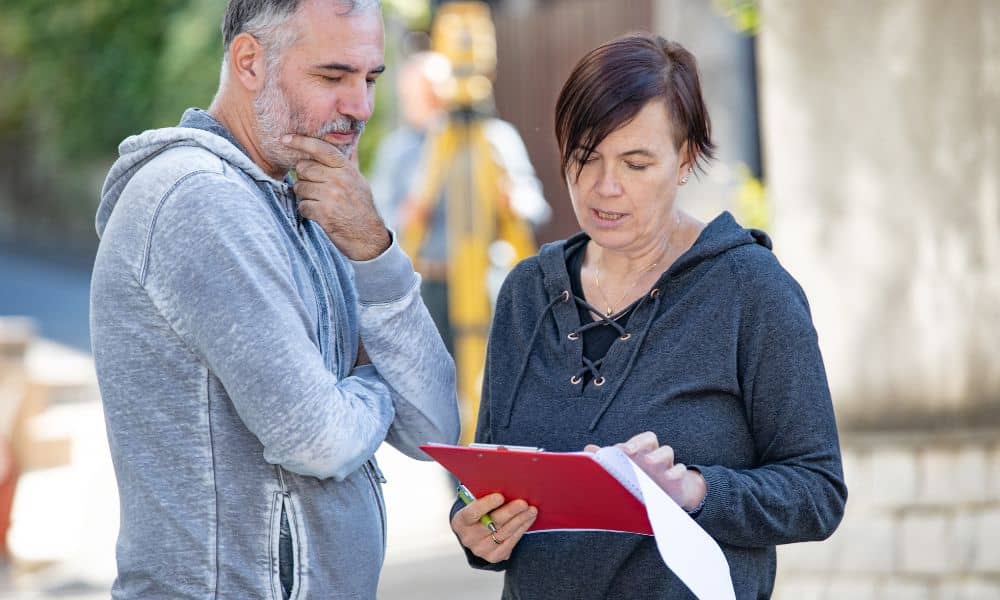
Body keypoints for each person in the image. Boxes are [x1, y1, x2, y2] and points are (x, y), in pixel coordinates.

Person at [449, 33, 847, 599]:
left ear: (684, 160)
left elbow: (817, 491)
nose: (605, 188)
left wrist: (693, 490)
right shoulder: (526, 294)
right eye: (586, 158)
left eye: (636, 163)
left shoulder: (751, 291)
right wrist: (475, 527)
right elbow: (484, 483)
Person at [90, 1, 460, 598]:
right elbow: (318, 439)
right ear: (249, 62)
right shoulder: (199, 200)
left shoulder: (312, 200)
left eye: (370, 79)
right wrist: (369, 384)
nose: (360, 107)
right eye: (332, 77)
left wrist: (373, 250)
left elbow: (434, 430)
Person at [369, 51, 550, 352]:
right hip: (428, 285)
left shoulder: (496, 138)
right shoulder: (397, 151)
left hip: (487, 281)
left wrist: (515, 201)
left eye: (430, 92)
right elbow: (379, 222)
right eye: (414, 94)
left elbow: (536, 206)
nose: (424, 102)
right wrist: (408, 214)